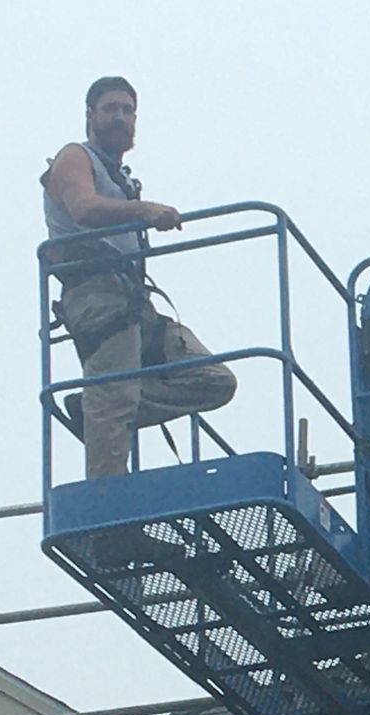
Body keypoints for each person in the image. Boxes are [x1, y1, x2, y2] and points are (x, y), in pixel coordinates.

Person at [42, 77, 235, 481]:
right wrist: (144, 209)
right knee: (113, 403)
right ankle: (108, 523)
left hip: (132, 302)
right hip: (96, 297)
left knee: (214, 379)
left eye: (128, 110)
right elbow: (82, 208)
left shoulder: (121, 178)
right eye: (110, 108)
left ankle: (97, 403)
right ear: (90, 114)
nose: (120, 117)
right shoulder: (74, 157)